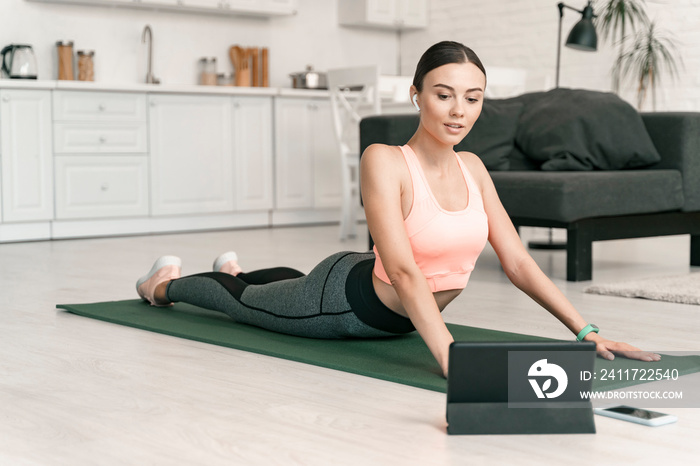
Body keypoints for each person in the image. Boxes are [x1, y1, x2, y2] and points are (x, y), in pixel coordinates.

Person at [136, 41, 660, 377]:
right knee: (243, 302)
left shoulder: (475, 168)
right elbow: (407, 272)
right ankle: (160, 284)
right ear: (416, 95)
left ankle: (237, 268)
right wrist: (450, 355)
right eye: (443, 94)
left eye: (473, 98)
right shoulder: (384, 159)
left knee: (273, 285)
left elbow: (520, 263)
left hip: (378, 294)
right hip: (343, 302)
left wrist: (585, 331)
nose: (459, 111)